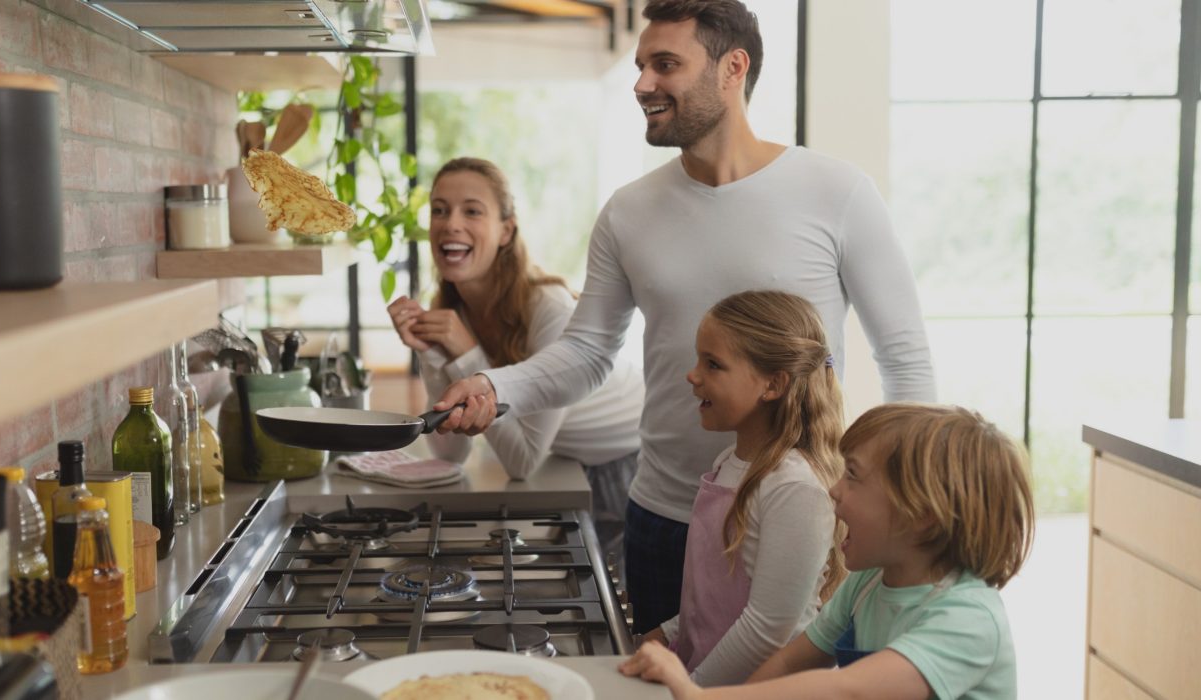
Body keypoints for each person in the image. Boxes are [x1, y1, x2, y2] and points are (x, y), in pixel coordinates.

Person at [427, 0, 937, 634]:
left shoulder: (837, 191)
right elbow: (587, 352)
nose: (643, 83)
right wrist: (494, 387)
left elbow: (904, 358)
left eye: (665, 64)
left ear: (733, 67)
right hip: (664, 515)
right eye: (642, 65)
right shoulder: (629, 211)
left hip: (799, 517)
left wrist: (898, 495)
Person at [619, 403, 1035, 700]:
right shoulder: (867, 585)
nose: (834, 490)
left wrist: (698, 695)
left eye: (852, 477)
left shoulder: (968, 621)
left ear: (921, 515)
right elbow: (786, 665)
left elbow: (848, 689)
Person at [386, 157, 646, 567]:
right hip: (565, 461)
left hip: (625, 466)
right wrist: (431, 350)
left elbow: (522, 462)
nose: (450, 223)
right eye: (439, 210)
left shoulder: (548, 308)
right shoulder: (455, 311)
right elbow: (449, 453)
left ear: (506, 230)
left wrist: (468, 354)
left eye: (472, 210)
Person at [642, 290, 844, 686]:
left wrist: (694, 690)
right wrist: (669, 633)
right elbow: (714, 594)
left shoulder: (794, 487)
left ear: (773, 385)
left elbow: (768, 627)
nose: (692, 374)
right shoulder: (728, 463)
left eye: (713, 364)